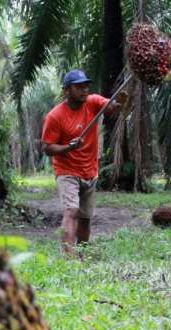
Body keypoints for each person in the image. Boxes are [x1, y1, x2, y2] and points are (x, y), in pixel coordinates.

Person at [41, 69, 127, 255]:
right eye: (79, 87)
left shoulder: (93, 102)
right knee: (71, 211)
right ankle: (69, 257)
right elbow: (47, 148)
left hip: (89, 170)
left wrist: (120, 102)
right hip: (67, 171)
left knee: (86, 217)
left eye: (86, 86)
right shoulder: (55, 116)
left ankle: (83, 254)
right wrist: (68, 148)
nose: (85, 90)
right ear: (66, 90)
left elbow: (111, 107)